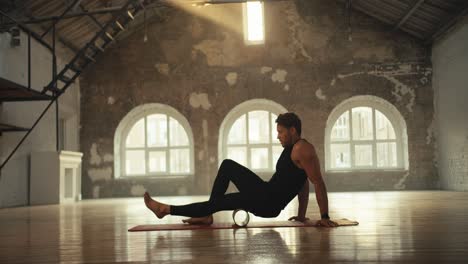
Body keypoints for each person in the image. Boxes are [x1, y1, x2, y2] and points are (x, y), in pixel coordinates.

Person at [144, 112, 338, 227]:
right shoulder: (291, 149)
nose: (278, 136)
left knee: (219, 202)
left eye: (281, 132)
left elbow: (317, 182)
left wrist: (325, 217)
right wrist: (302, 215)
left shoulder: (303, 149)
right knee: (227, 166)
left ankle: (165, 210)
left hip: (266, 202)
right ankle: (206, 213)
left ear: (293, 130)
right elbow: (301, 183)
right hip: (264, 193)